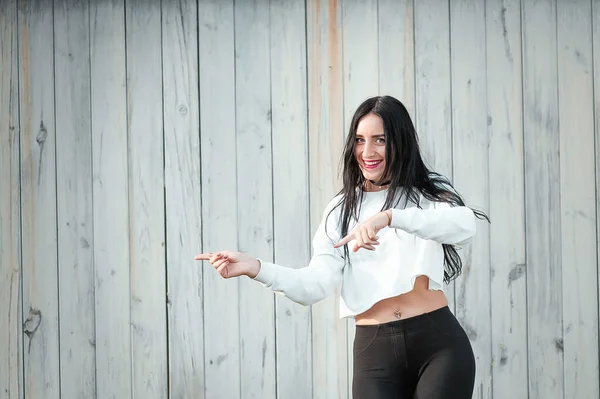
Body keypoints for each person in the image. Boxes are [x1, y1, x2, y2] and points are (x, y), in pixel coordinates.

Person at [195, 95, 488, 399]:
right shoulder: (341, 209)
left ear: (400, 143)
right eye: (360, 140)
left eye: (380, 140)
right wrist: (256, 268)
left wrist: (389, 218)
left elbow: (464, 227)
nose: (367, 151)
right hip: (375, 353)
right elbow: (314, 284)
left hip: (438, 345)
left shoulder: (428, 192)